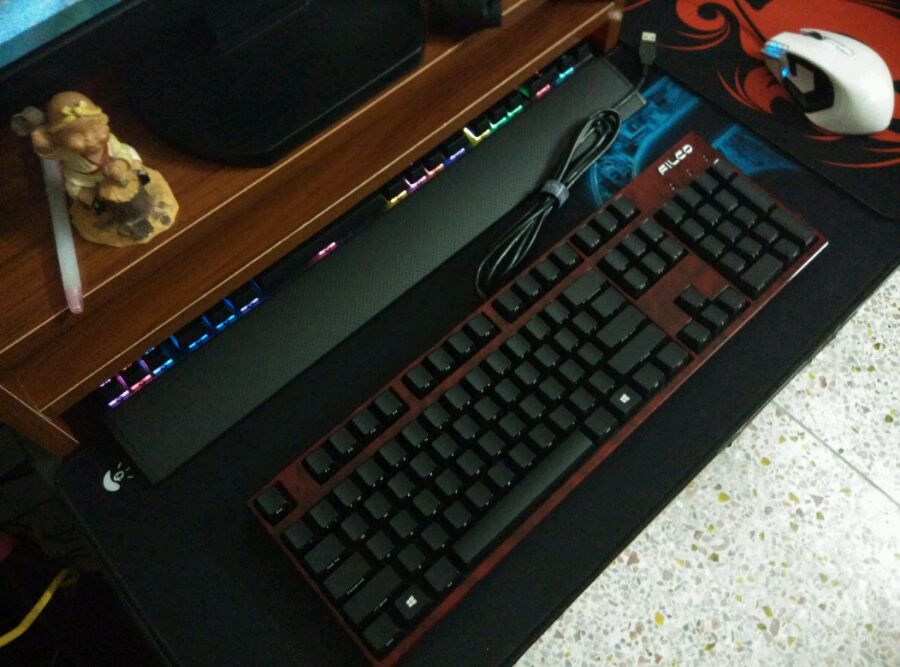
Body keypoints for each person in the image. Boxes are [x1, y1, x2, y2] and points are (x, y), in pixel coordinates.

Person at [30, 91, 144, 212]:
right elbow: (50, 154)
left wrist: (120, 164)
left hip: (113, 168)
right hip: (85, 178)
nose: (90, 140)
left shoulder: (110, 141)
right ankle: (94, 203)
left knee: (130, 153)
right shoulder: (66, 151)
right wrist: (43, 146)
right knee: (74, 188)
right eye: (77, 136)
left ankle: (139, 173)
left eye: (95, 130)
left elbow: (120, 151)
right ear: (59, 139)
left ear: (103, 122)